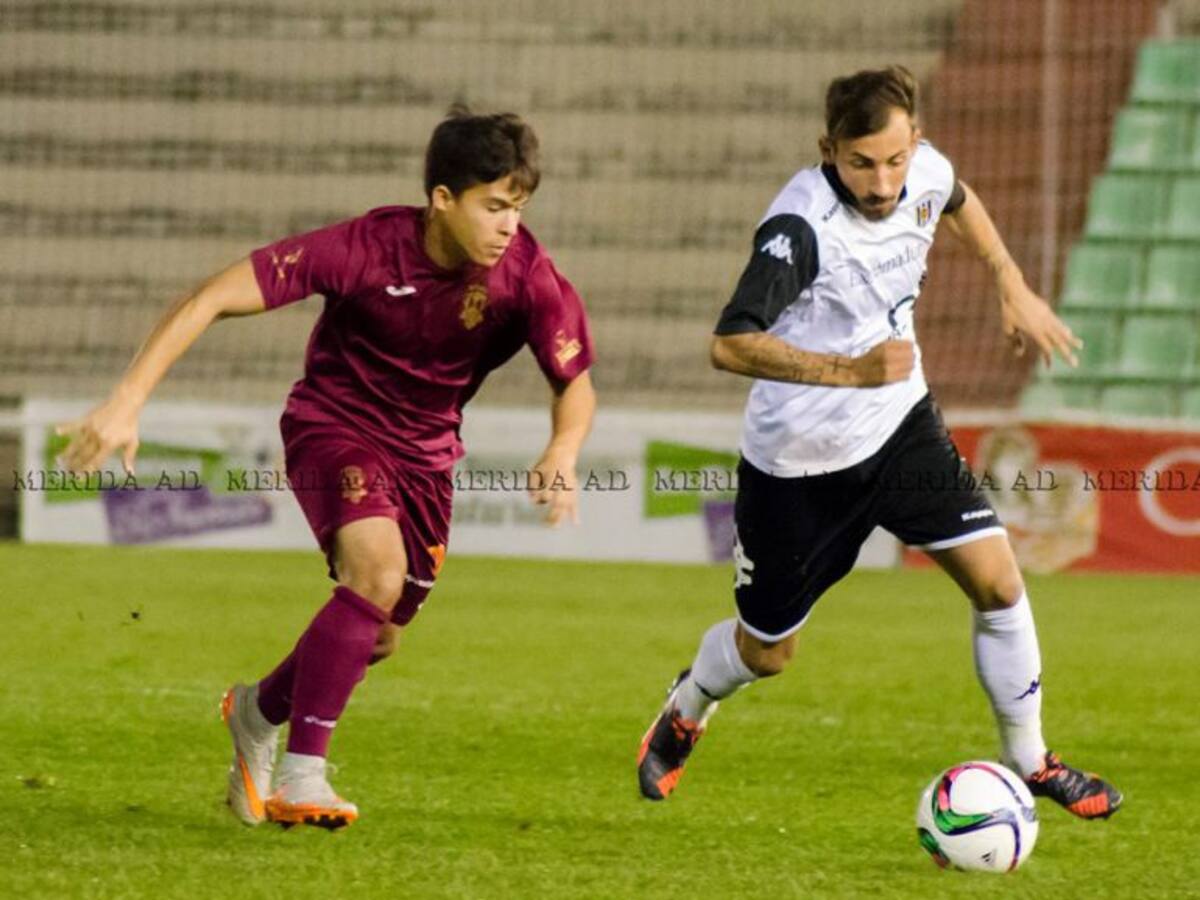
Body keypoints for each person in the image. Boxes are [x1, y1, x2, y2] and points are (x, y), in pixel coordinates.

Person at [57, 108, 596, 829]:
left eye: (518, 208)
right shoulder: (362, 249)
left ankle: (257, 710)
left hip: (428, 455)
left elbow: (575, 383)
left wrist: (563, 446)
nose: (508, 225)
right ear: (442, 199)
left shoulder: (526, 276)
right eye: (493, 206)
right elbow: (211, 295)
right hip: (332, 428)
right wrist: (127, 399)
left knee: (379, 633)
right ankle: (304, 774)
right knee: (374, 574)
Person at [636, 66, 1122, 820]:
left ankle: (1031, 761)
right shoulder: (799, 228)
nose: (882, 181)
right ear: (828, 150)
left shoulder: (922, 170)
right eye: (861, 163)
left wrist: (1009, 281)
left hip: (900, 428)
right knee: (767, 653)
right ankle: (689, 703)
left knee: (998, 582)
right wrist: (848, 371)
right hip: (797, 463)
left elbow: (957, 200)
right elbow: (729, 344)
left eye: (894, 159)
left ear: (915, 142)